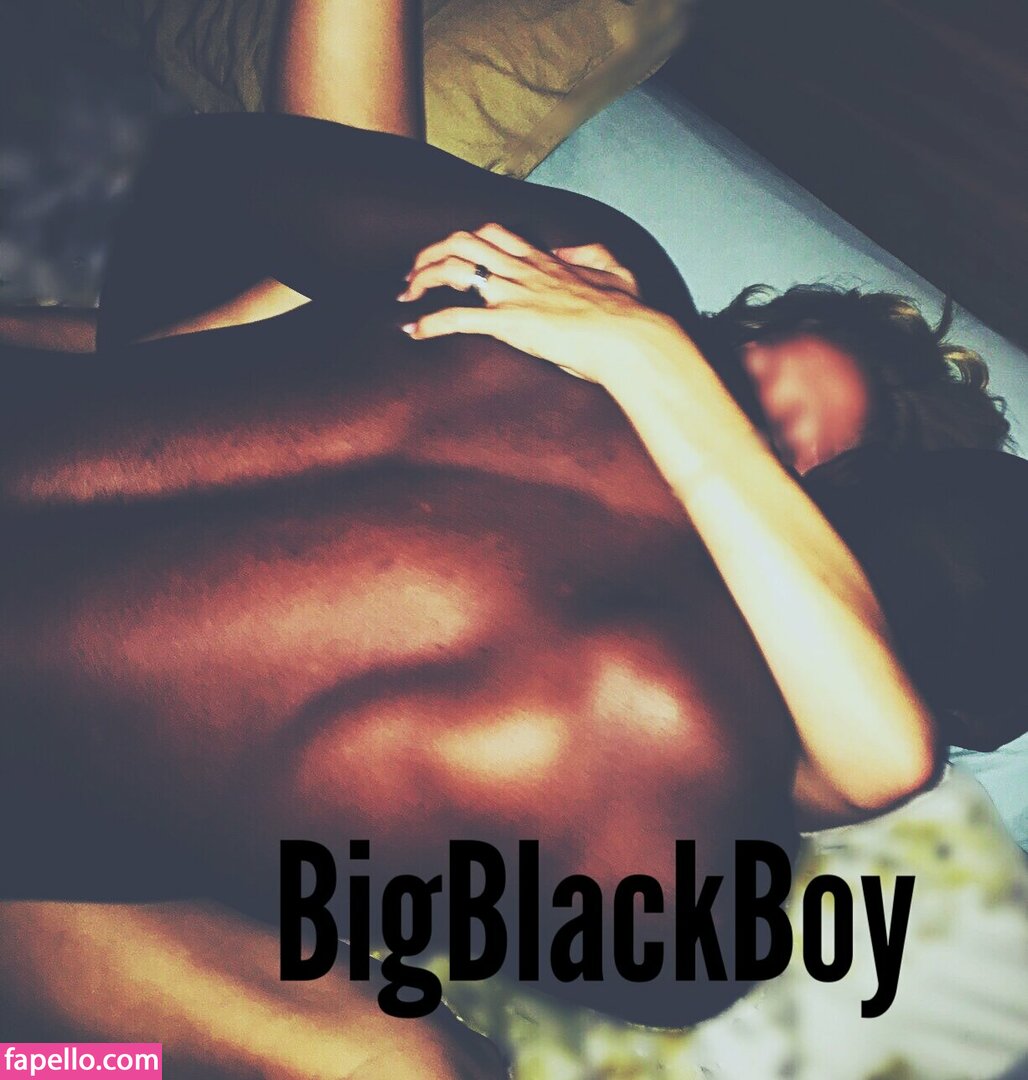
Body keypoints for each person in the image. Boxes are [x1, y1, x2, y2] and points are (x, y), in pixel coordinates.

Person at [1, 0, 1025, 1071]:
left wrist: (652, 360)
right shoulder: (573, 289)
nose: (727, 415)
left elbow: (210, 173)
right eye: (735, 364)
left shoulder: (607, 319)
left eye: (773, 450)